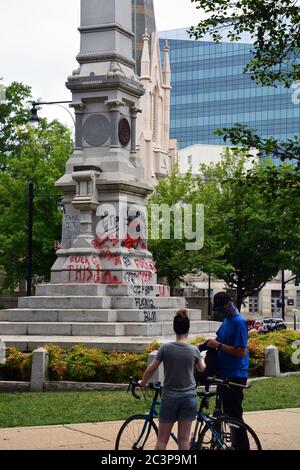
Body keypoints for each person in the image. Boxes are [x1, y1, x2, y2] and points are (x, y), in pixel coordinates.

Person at [139, 309, 206, 450]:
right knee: (184, 440)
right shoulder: (194, 350)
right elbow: (201, 369)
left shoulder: (165, 349)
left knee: (162, 440)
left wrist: (143, 382)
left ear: (174, 328)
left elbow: (151, 368)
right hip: (189, 397)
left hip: (169, 397)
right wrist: (203, 359)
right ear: (188, 329)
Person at [207, 291, 250, 449]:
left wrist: (218, 345)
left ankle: (242, 447)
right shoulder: (227, 320)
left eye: (222, 306)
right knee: (221, 413)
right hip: (223, 373)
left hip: (235, 374)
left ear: (230, 302)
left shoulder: (239, 322)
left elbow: (241, 351)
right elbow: (219, 339)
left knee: (235, 416)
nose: (221, 310)